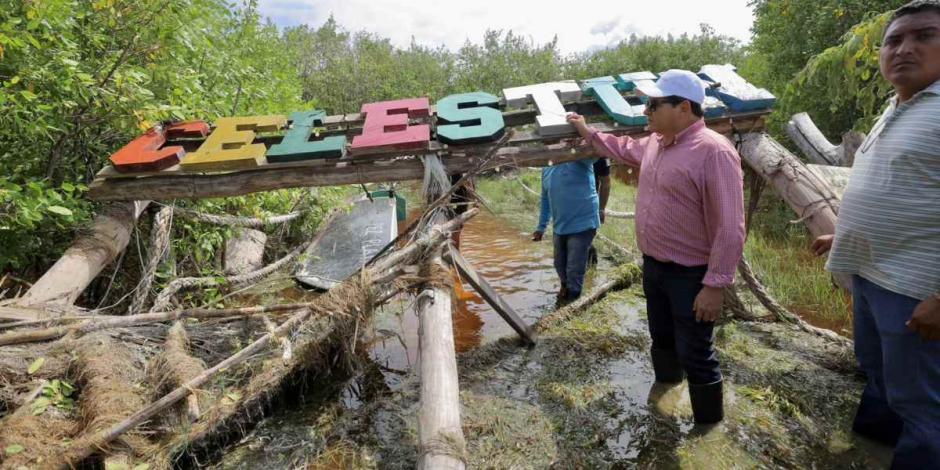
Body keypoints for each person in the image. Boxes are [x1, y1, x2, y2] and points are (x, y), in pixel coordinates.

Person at [567, 69, 745, 425]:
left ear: (683, 107)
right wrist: (588, 132)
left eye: (653, 103)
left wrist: (714, 285)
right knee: (662, 337)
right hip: (655, 267)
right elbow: (623, 148)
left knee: (696, 352)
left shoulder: (714, 152)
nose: (646, 110)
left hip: (692, 275)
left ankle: (708, 430)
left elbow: (730, 226)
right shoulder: (656, 143)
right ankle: (664, 394)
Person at [810, 1, 940, 466]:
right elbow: (890, 188)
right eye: (894, 40)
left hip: (913, 290)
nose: (904, 48)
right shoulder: (897, 106)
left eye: (923, 36)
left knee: (922, 403)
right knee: (877, 371)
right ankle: (874, 446)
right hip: (870, 276)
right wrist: (843, 234)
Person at [532, 159, 600, 303]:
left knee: (574, 269)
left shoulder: (579, 158)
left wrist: (578, 143)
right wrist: (541, 227)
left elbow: (595, 155)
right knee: (559, 263)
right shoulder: (547, 167)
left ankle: (572, 302)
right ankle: (565, 287)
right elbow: (545, 199)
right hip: (560, 225)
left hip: (583, 222)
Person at [587, 158, 611, 266]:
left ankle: (590, 275)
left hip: (589, 205)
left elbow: (606, 183)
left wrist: (601, 209)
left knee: (586, 241)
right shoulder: (567, 148)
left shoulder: (601, 155)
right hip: (569, 203)